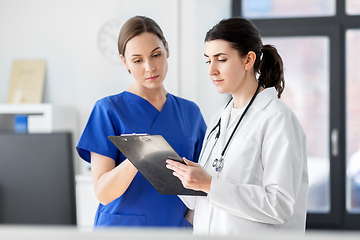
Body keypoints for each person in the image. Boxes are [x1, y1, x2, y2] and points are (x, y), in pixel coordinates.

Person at [166, 17, 309, 235]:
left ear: (248, 60)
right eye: (208, 60)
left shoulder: (278, 119)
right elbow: (202, 201)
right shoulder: (219, 118)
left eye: (221, 59)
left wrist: (210, 185)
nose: (211, 70)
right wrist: (183, 177)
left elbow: (279, 205)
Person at [76, 15, 206, 228]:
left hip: (174, 229)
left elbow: (201, 182)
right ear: (124, 61)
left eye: (156, 55)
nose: (150, 67)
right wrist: (138, 156)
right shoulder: (108, 110)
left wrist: (188, 220)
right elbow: (103, 193)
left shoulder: (190, 113)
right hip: (123, 229)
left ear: (167, 49)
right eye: (138, 60)